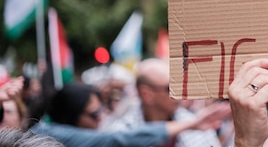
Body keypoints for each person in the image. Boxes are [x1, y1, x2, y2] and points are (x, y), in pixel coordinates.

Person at [30, 80, 229, 147]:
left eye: (102, 109)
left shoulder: (192, 122)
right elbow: (119, 140)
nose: (102, 116)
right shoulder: (49, 135)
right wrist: (194, 123)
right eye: (94, 113)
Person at [103, 57, 228, 147]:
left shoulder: (199, 125)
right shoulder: (120, 132)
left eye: (179, 86)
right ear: (146, 94)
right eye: (170, 88)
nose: (179, 94)